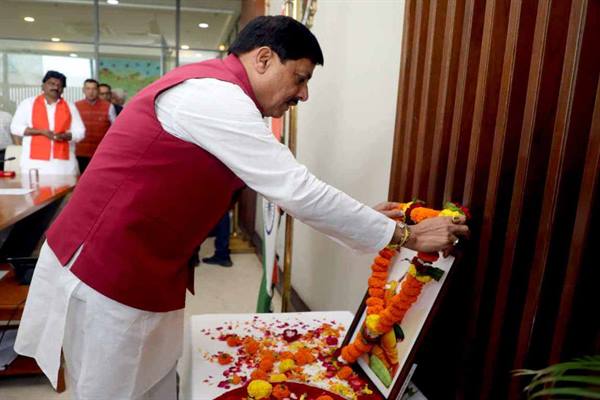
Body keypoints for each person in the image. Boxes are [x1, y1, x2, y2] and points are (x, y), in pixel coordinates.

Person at [14, 16, 469, 400]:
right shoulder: (214, 96)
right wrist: (407, 235)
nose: (304, 95)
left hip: (146, 265)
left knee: (152, 382)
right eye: (301, 78)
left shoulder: (223, 95)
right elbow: (295, 187)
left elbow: (282, 186)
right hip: (108, 268)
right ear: (264, 58)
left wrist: (368, 219)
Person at [10, 71, 85, 175]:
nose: (55, 87)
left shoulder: (70, 106)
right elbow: (15, 127)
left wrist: (65, 136)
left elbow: (80, 132)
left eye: (59, 85)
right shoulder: (28, 104)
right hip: (34, 164)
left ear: (63, 89)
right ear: (43, 86)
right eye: (52, 84)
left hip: (63, 166)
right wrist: (41, 132)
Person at [75, 79, 116, 173]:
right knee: (81, 179)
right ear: (83, 90)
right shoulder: (76, 106)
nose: (91, 92)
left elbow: (114, 129)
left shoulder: (109, 107)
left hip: (100, 152)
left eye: (94, 89)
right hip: (80, 153)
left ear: (98, 90)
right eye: (88, 89)